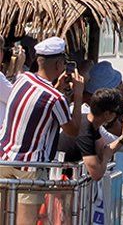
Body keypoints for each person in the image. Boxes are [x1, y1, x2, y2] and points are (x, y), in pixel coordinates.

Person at [0, 37, 84, 225]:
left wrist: (58, 88)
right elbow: (73, 130)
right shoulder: (56, 98)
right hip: (30, 167)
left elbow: (39, 104)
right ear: (59, 63)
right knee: (25, 222)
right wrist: (77, 96)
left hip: (4, 159)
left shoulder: (22, 79)